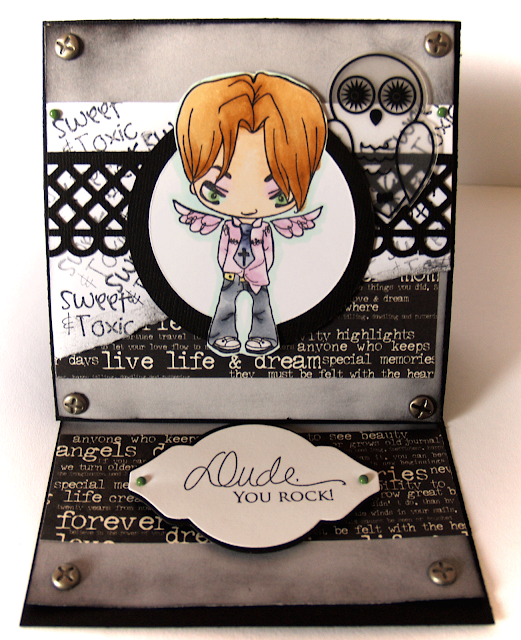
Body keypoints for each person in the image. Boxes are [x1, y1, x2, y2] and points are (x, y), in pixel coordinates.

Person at [175, 72, 327, 355]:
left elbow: (268, 250)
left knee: (261, 306)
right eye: (216, 192)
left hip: (258, 273)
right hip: (231, 271)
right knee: (225, 304)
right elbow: (223, 248)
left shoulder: (265, 229)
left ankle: (263, 335)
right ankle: (222, 335)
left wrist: (262, 269)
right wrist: (226, 266)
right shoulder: (228, 227)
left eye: (279, 194)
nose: (247, 207)